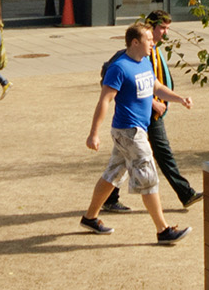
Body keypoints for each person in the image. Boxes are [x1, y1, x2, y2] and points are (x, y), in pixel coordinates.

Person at [80, 23, 193, 245]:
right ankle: (163, 230)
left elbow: (156, 87)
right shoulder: (119, 68)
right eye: (149, 39)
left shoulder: (145, 63)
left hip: (137, 129)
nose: (153, 43)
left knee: (113, 174)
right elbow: (105, 100)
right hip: (129, 132)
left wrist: (179, 99)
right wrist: (94, 133)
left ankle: (90, 218)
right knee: (148, 175)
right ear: (135, 42)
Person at [101, 11, 197, 213]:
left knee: (121, 163)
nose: (165, 33)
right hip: (140, 117)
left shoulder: (152, 51)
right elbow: (110, 82)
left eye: (167, 28)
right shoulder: (130, 56)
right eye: (162, 28)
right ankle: (183, 196)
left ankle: (105, 202)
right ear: (149, 28)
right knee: (159, 157)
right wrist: (153, 102)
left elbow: (155, 83)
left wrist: (178, 99)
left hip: (145, 116)